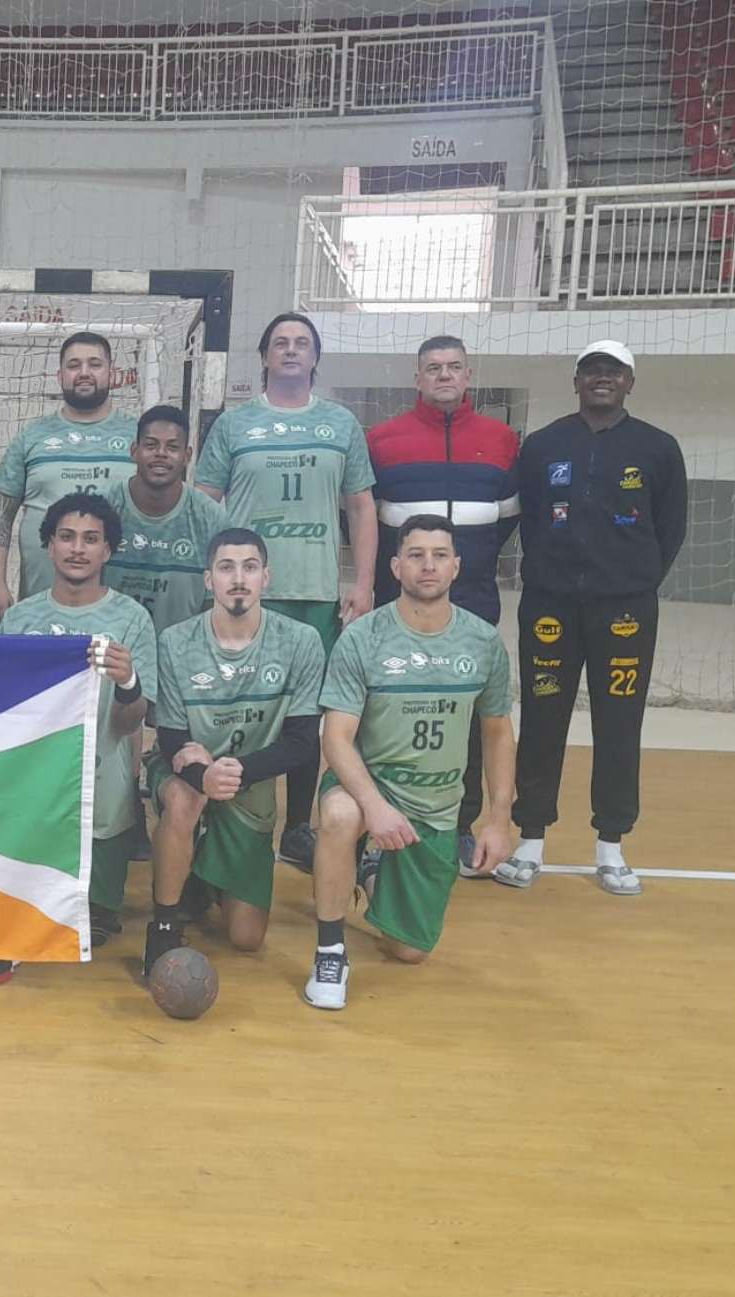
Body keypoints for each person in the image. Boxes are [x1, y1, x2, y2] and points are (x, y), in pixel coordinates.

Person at [495, 342, 687, 897]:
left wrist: (633, 578)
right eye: (592, 371)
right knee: (543, 717)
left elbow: (668, 529)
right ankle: (530, 839)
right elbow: (528, 517)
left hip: (625, 608)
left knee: (619, 723)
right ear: (576, 381)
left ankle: (611, 846)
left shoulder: (658, 447)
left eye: (614, 371)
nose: (602, 378)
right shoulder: (543, 445)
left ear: (630, 382)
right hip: (549, 605)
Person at [304, 516, 515, 1011]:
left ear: (456, 567)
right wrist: (373, 806)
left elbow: (498, 731)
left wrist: (499, 819)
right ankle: (330, 951)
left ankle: (374, 869)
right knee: (340, 816)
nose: (428, 565)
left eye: (440, 555)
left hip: (437, 803)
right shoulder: (363, 638)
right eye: (416, 555)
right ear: (395, 566)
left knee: (410, 951)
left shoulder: (482, 642)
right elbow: (335, 738)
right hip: (369, 784)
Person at [194, 312, 377, 873]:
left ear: (316, 357)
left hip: (313, 590)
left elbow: (361, 505)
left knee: (303, 715)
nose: (291, 351)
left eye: (302, 343)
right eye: (280, 343)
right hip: (244, 592)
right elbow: (205, 497)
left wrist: (363, 582)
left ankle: (298, 824)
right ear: (265, 358)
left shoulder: (341, 423)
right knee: (233, 703)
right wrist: (217, 579)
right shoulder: (234, 423)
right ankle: (216, 811)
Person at [366, 336, 520, 875]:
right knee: (391, 707)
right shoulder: (382, 440)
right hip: (398, 599)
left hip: (473, 595)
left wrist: (468, 565)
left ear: (468, 374)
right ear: (417, 378)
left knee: (470, 711)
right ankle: (376, 818)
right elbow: (364, 517)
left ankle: (459, 824)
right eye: (433, 368)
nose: (444, 375)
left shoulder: (502, 440)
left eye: (454, 367)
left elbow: (506, 518)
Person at [141, 528, 325, 974]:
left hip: (249, 780)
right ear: (209, 580)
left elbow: (303, 742)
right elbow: (169, 735)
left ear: (267, 577)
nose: (238, 578)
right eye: (226, 567)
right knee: (184, 802)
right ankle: (163, 928)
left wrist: (234, 771)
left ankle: (202, 877)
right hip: (186, 772)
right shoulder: (175, 641)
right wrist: (201, 775)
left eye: (249, 567)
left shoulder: (301, 642)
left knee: (246, 938)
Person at [0, 492, 158, 974]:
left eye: (92, 540)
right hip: (32, 776)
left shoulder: (131, 619)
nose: (77, 549)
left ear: (108, 551)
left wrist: (127, 683)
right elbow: (2, 715)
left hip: (100, 776)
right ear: (48, 545)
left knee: (93, 923)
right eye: (66, 537)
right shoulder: (19, 619)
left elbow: (132, 723)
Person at [0, 331, 138, 617]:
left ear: (112, 373)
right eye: (73, 365)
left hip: (116, 608)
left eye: (94, 364)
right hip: (40, 605)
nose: (84, 373)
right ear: (60, 375)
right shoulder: (32, 436)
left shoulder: (138, 436)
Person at [102, 404, 229, 640]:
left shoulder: (211, 518)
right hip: (112, 649)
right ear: (133, 451)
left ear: (187, 456)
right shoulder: (104, 509)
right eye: (151, 445)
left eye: (172, 447)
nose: (161, 453)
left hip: (183, 654)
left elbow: (220, 606)